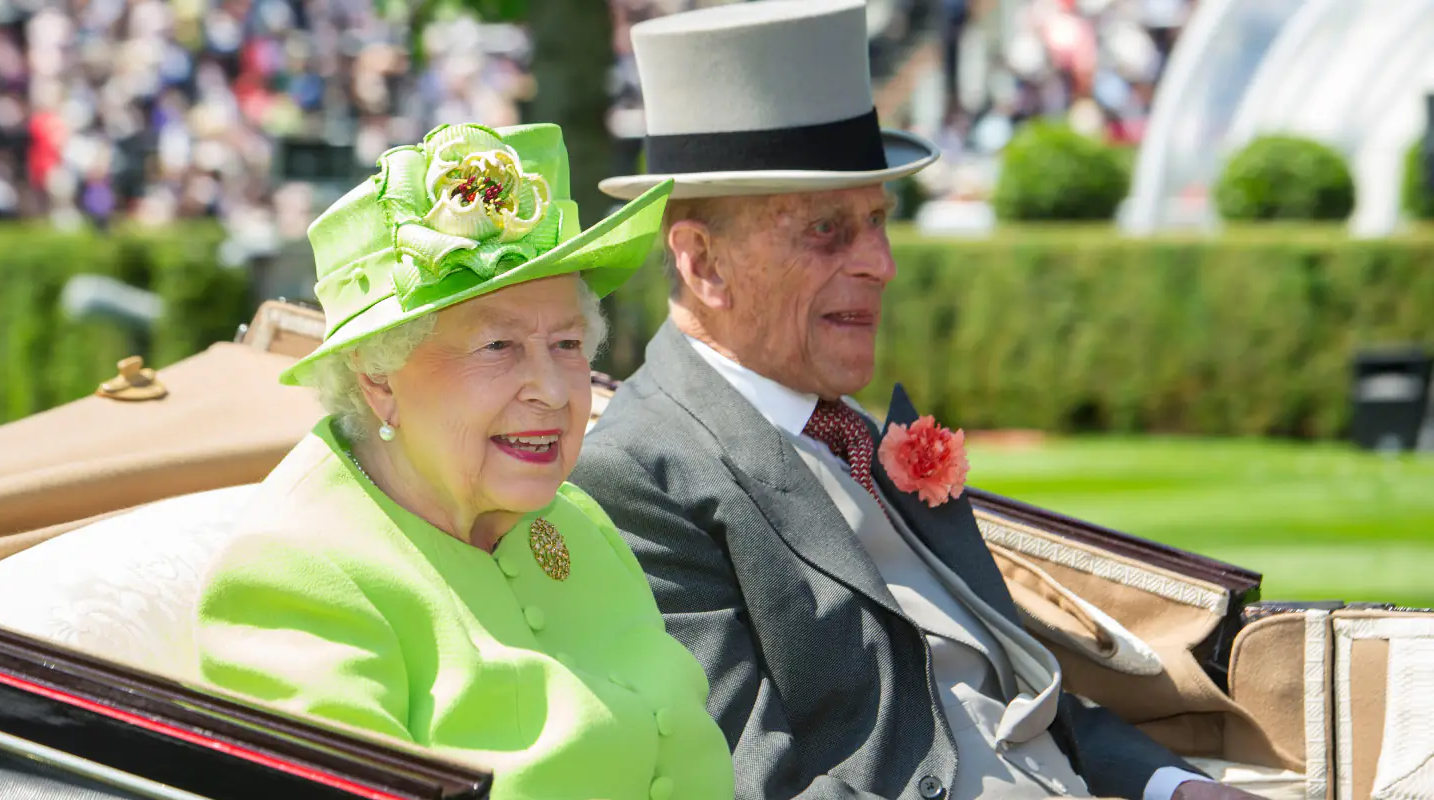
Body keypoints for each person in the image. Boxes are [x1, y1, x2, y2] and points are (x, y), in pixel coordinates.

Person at [570, 3, 1260, 800]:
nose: (880, 264)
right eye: (827, 230)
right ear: (702, 263)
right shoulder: (636, 475)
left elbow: (1014, 686)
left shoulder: (852, 430)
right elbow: (752, 781)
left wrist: (1171, 786)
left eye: (877, 221)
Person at [192, 122, 733, 800]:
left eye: (566, 344)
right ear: (378, 377)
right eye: (498, 347)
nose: (552, 389)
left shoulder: (581, 522)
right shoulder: (293, 577)